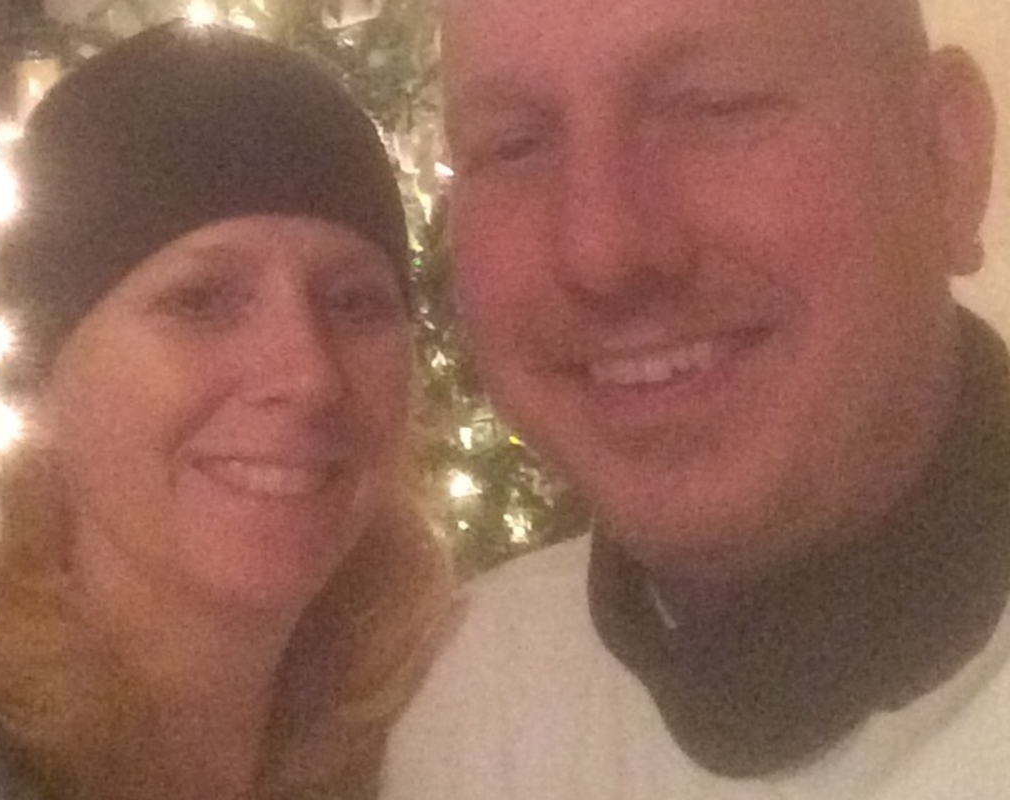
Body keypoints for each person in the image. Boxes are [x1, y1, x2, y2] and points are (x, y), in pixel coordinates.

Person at [0, 22, 449, 800]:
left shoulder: (456, 707)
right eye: (201, 300)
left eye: (354, 302)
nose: (309, 375)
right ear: (42, 376)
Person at [383, 0, 1006, 797]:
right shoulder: (469, 702)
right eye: (515, 145)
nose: (601, 253)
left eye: (715, 106)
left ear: (946, 157)